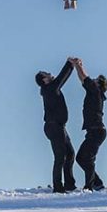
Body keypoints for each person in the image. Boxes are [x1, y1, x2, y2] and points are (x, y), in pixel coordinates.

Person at [36, 59, 77, 193]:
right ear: (44, 80)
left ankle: (69, 184)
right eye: (47, 74)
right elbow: (61, 78)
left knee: (70, 154)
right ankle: (58, 187)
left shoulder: (49, 89)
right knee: (60, 156)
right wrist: (70, 64)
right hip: (54, 127)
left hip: (59, 127)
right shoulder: (50, 88)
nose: (50, 74)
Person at [70, 57, 107, 191]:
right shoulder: (95, 92)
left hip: (97, 131)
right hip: (94, 132)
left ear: (98, 84)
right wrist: (78, 66)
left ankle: (90, 186)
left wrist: (78, 65)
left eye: (96, 79)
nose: (93, 79)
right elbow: (84, 80)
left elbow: (84, 77)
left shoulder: (96, 91)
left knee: (88, 158)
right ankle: (97, 183)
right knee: (81, 158)